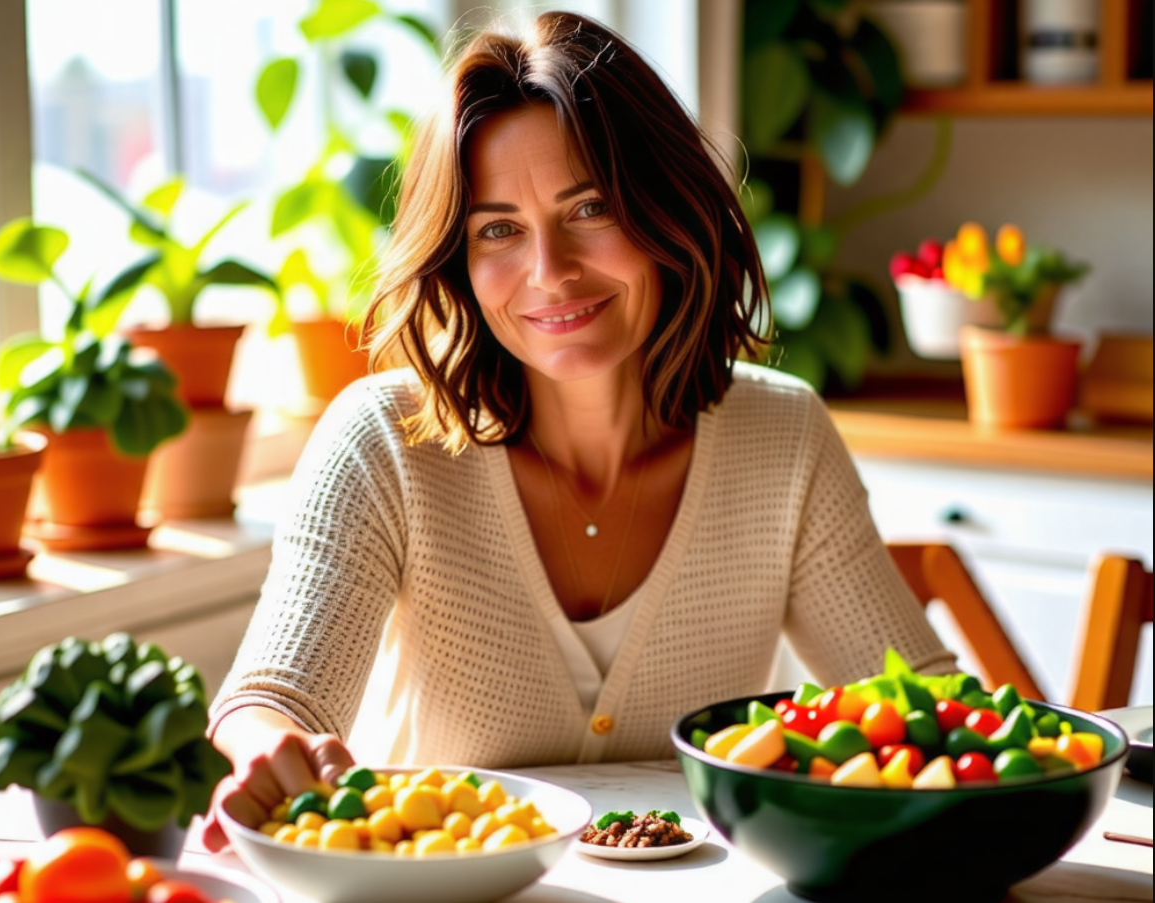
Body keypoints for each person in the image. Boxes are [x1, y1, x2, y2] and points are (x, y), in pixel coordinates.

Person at [201, 10, 955, 850]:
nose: (550, 271)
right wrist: (270, 751)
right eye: (497, 230)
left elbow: (920, 706)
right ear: (457, 256)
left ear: (667, 209)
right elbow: (274, 695)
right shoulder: (383, 440)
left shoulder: (781, 436)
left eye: (588, 207)